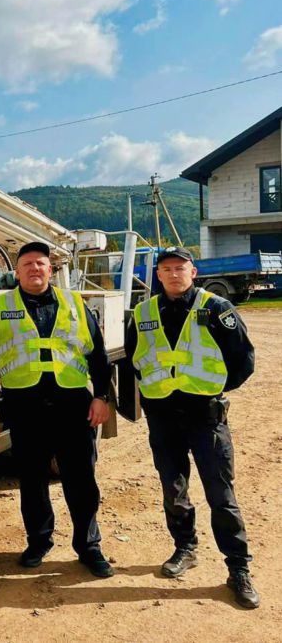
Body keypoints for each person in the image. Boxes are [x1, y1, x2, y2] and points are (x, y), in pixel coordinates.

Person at [125, 246, 258, 608]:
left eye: (180, 268)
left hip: (205, 417)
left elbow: (243, 359)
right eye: (166, 269)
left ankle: (238, 569)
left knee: (221, 495)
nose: (173, 274)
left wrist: (212, 390)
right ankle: (185, 548)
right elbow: (135, 358)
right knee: (173, 489)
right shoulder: (143, 312)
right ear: (158, 275)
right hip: (163, 417)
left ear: (193, 272)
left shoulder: (216, 308)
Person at [0, 241, 114, 577]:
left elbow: (98, 355)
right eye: (27, 264)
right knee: (32, 480)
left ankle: (89, 546)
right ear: (17, 272)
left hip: (73, 406)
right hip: (25, 408)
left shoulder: (75, 304)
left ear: (50, 269)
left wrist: (102, 397)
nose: (34, 269)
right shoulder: (0, 308)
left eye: (40, 263)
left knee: (81, 480)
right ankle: (38, 541)